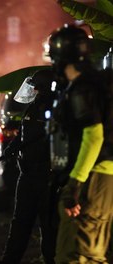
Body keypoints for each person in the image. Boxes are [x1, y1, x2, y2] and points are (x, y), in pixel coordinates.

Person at [48, 24, 113, 263]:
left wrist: (75, 183)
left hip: (92, 178)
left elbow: (93, 135)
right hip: (103, 177)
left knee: (78, 254)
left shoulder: (82, 89)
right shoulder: (99, 83)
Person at [0, 69, 58, 264]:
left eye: (35, 86)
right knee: (20, 223)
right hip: (26, 175)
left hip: (46, 176)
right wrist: (12, 147)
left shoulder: (55, 110)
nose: (31, 90)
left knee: (48, 225)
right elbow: (24, 135)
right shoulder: (33, 107)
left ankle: (48, 259)